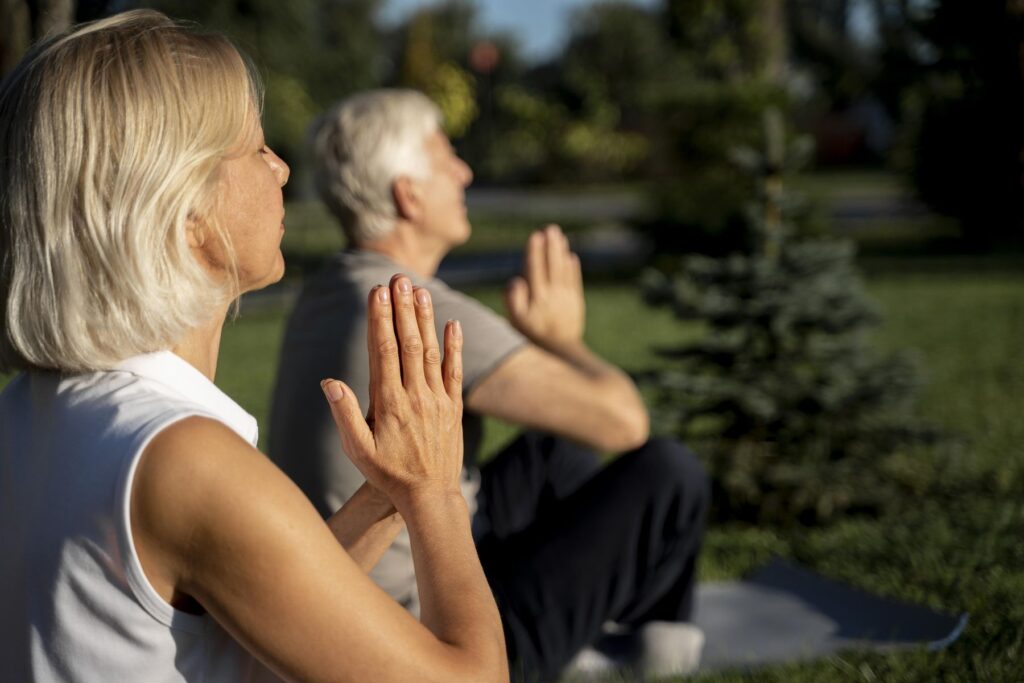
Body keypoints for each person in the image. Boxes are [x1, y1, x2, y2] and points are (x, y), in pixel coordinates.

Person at [0, 13, 507, 682]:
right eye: (256, 148)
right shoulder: (183, 458)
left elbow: (247, 645)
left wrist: (386, 496)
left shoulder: (28, 411)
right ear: (183, 207)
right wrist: (435, 492)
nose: (282, 168)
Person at [270, 89, 711, 680]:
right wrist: (562, 340)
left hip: (351, 592)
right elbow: (624, 423)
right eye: (446, 157)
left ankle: (595, 627)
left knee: (557, 454)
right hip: (424, 628)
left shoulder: (330, 290)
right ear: (408, 194)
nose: (465, 172)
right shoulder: (414, 306)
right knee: (669, 472)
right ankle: (653, 649)